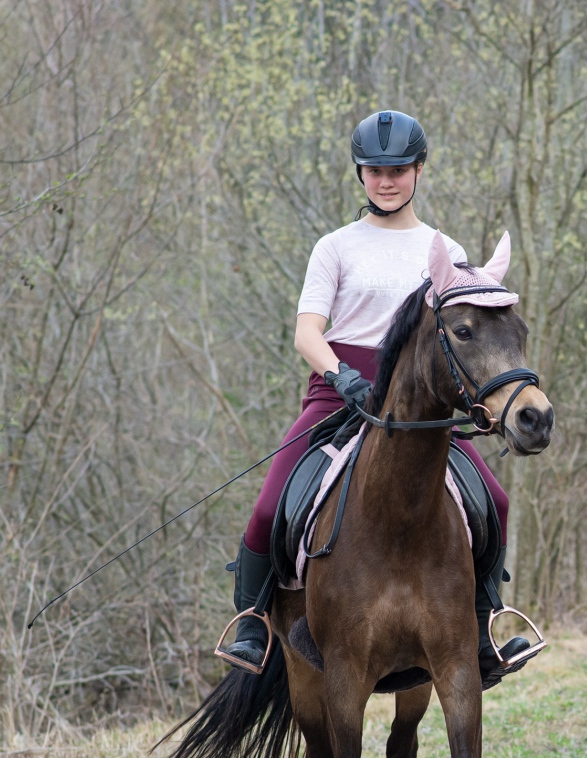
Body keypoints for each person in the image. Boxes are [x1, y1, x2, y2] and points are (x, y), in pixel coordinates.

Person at [221, 109, 530, 687]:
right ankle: (253, 624)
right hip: (338, 393)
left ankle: (484, 626)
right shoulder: (335, 247)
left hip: (419, 408)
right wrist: (341, 375)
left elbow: (463, 337)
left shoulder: (445, 249)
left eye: (399, 170)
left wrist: (480, 398)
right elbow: (306, 333)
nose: (387, 181)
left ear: (419, 170)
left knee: (497, 500)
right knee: (267, 508)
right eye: (375, 171)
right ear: (361, 174)